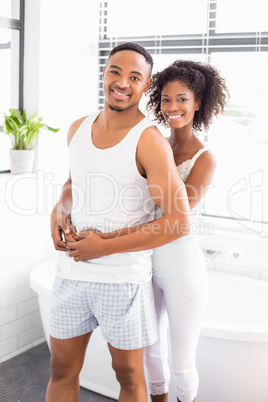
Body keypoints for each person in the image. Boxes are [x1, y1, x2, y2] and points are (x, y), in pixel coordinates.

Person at [49, 43, 190, 402]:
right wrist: (59, 210)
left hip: (122, 281)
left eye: (134, 77)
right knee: (62, 371)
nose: (122, 83)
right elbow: (72, 183)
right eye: (115, 71)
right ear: (104, 73)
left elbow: (178, 222)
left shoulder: (149, 140)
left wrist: (104, 246)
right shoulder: (78, 128)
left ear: (146, 85)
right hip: (71, 275)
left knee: (128, 377)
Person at [143, 60, 229, 402]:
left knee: (181, 363)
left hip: (182, 270)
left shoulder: (206, 158)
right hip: (145, 263)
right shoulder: (152, 143)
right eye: (165, 99)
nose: (172, 107)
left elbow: (179, 212)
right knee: (149, 352)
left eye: (182, 99)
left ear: (198, 103)